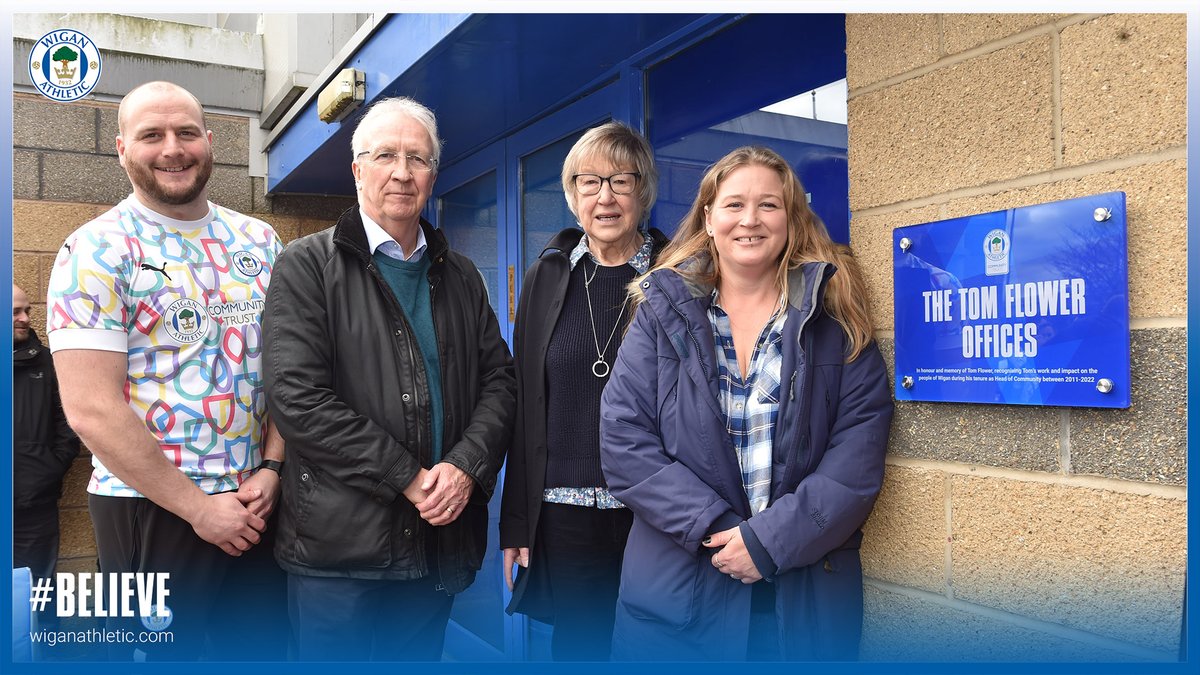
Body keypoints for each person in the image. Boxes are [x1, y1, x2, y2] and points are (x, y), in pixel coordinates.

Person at [599, 146, 893, 661]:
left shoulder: (835, 319)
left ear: (791, 219)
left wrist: (769, 543)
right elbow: (624, 443)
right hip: (678, 596)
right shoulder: (659, 313)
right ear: (709, 219)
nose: (750, 220)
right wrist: (721, 531)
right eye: (734, 205)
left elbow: (856, 460)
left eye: (768, 206)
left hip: (801, 601)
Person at [262, 97, 516, 661]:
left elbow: (500, 381)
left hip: (436, 544)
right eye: (386, 156)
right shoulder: (306, 266)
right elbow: (298, 400)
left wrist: (464, 468)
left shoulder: (460, 273)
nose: (403, 172)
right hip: (338, 554)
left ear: (433, 174)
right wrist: (409, 477)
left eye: (418, 159)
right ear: (357, 169)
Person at [46, 81, 287, 660]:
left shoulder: (261, 239)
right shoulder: (94, 250)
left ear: (210, 140)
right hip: (149, 509)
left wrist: (274, 466)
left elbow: (290, 368)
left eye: (185, 132)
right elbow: (90, 408)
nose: (172, 148)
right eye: (152, 135)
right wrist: (200, 509)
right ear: (122, 149)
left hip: (257, 501)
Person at [499, 122, 669, 660]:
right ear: (572, 197)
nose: (606, 196)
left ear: (643, 191)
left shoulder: (677, 275)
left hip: (653, 508)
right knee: (579, 648)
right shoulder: (547, 275)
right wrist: (517, 522)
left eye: (621, 180)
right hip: (564, 510)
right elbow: (524, 402)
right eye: (590, 182)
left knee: (658, 645)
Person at [13, 283, 80, 629]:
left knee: (39, 592)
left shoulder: (48, 362)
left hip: (33, 507)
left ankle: (43, 654)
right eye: (15, 313)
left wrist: (48, 469)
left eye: (26, 311)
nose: (25, 318)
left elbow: (69, 426)